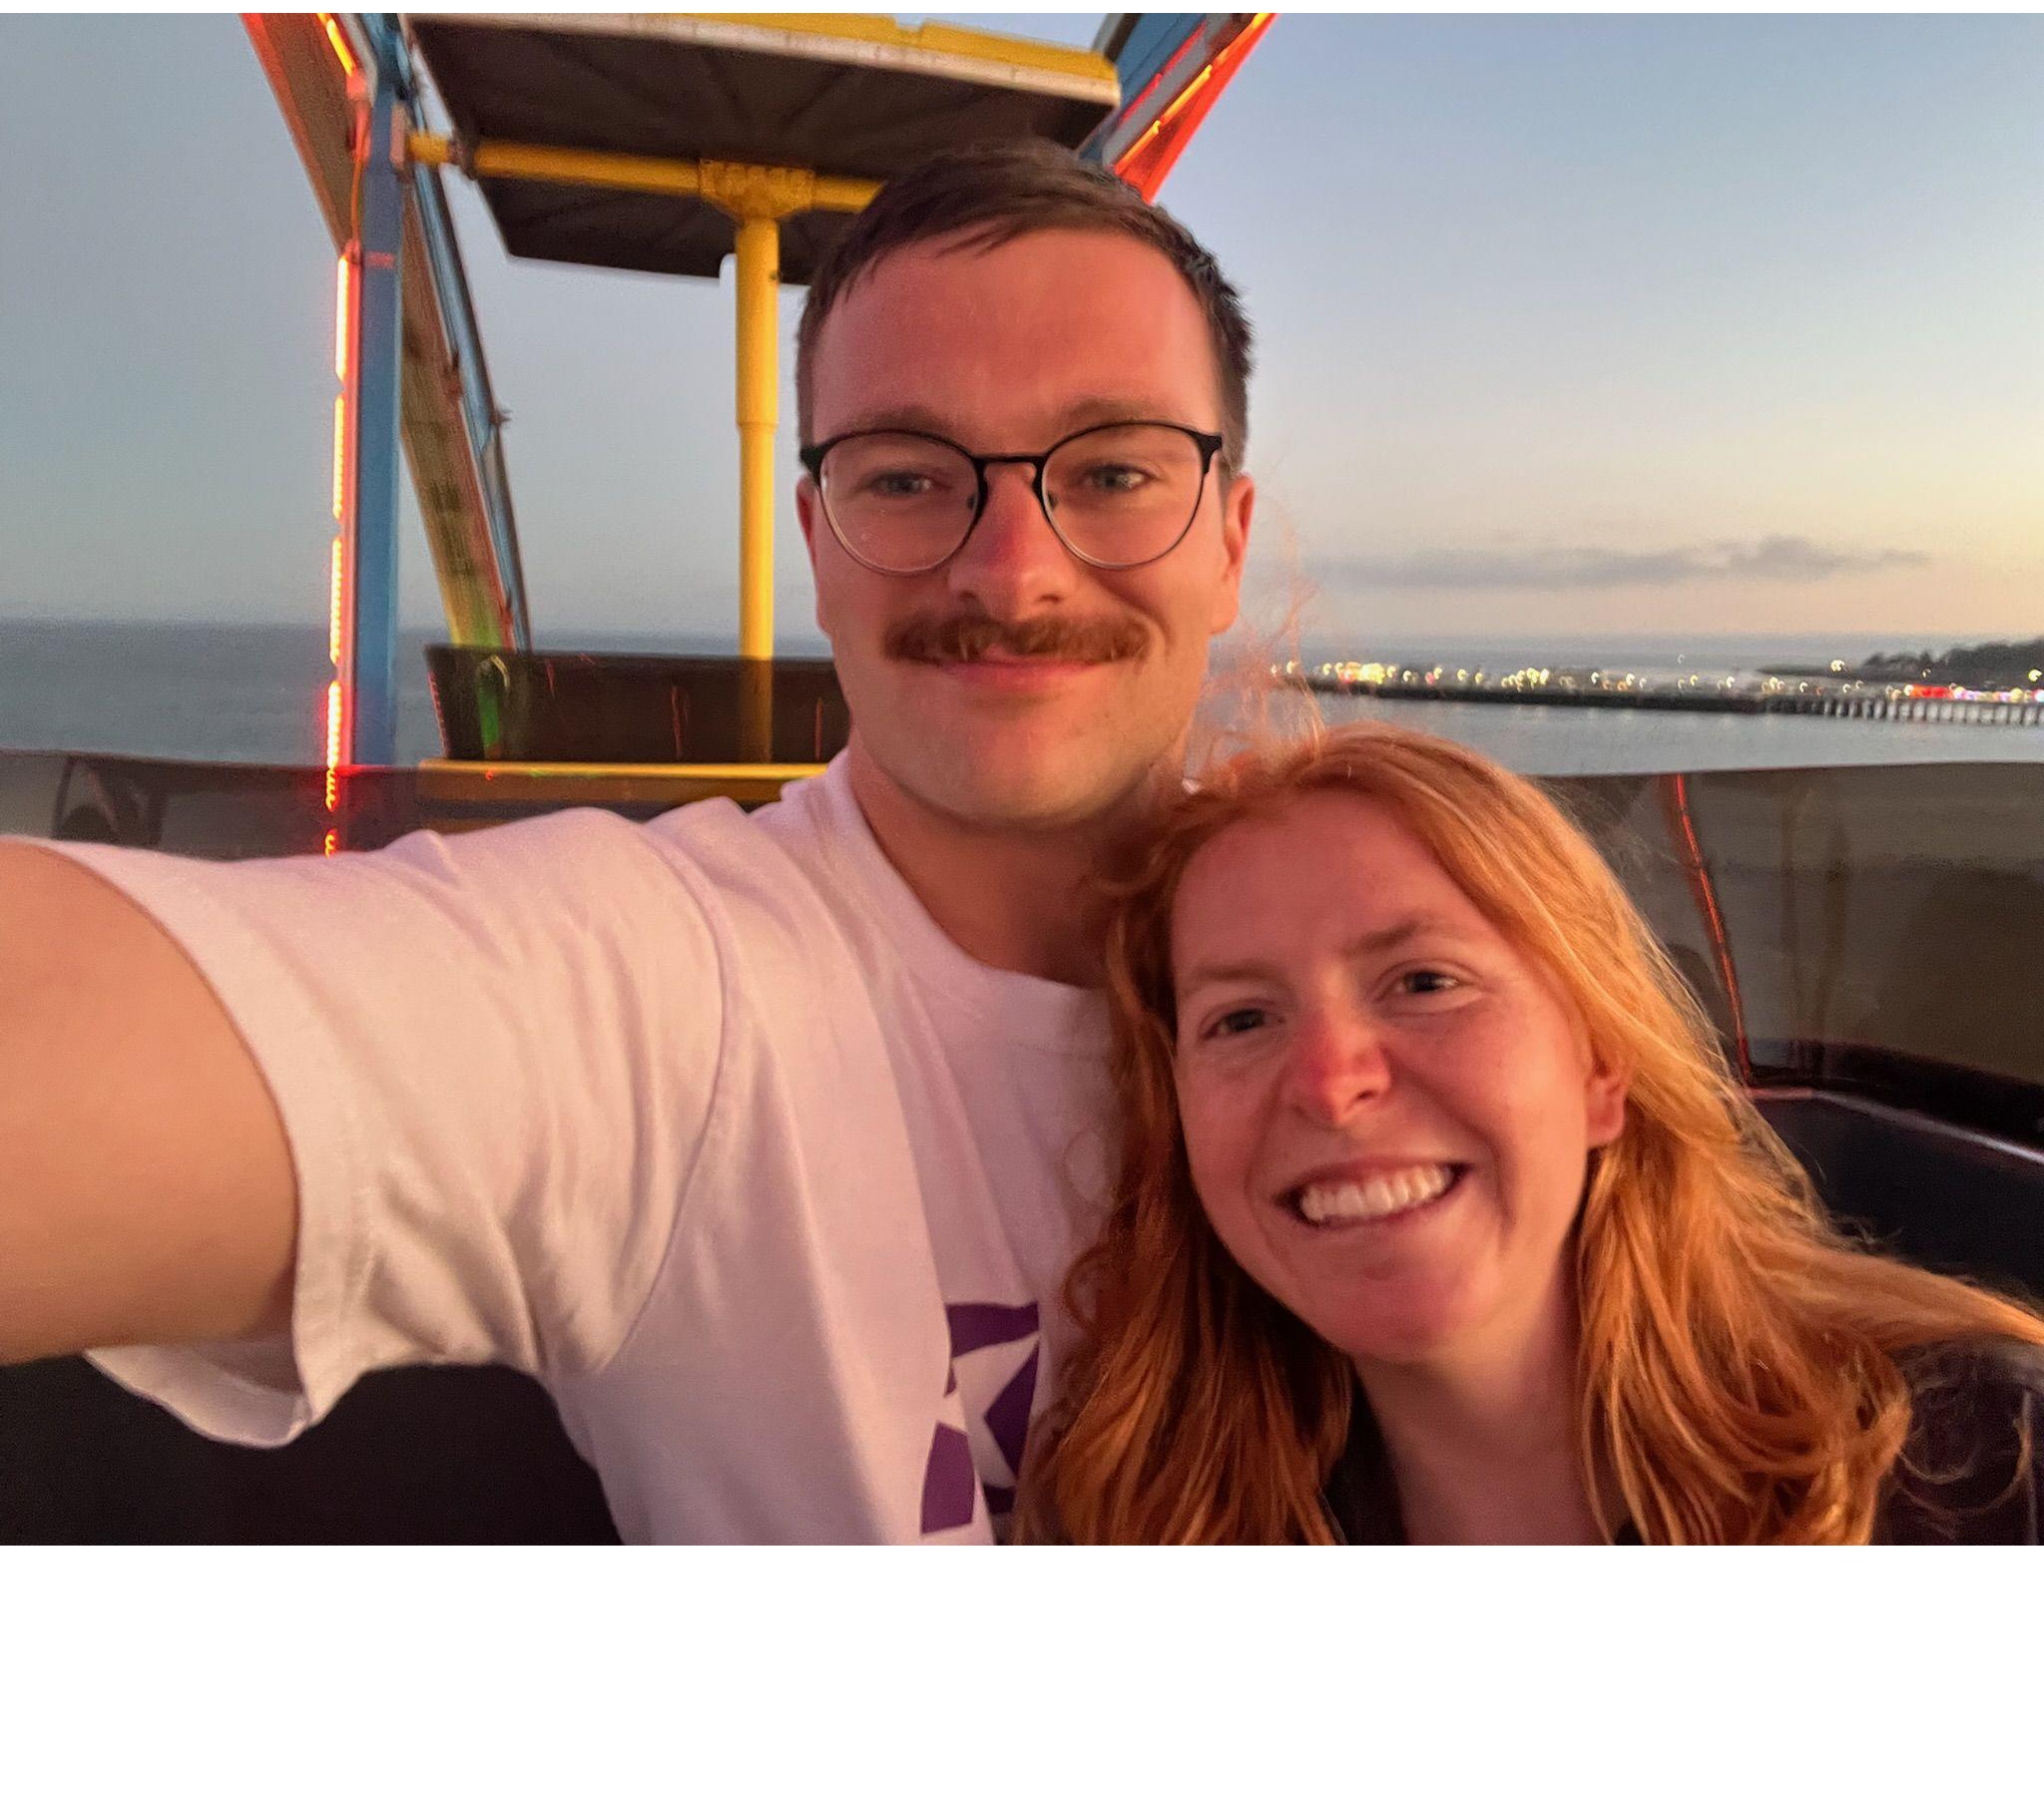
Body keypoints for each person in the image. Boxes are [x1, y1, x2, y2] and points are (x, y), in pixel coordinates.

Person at [0, 141, 1256, 1543]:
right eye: (906, 478)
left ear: (1231, 538)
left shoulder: (1393, 974)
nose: (1011, 571)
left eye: (1115, 471)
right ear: (817, 544)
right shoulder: (667, 996)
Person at [1023, 721, 2044, 1544]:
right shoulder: (1139, 1517)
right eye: (1241, 1019)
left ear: (1600, 1066)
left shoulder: (1984, 1468)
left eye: (1424, 982)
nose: (1331, 1085)